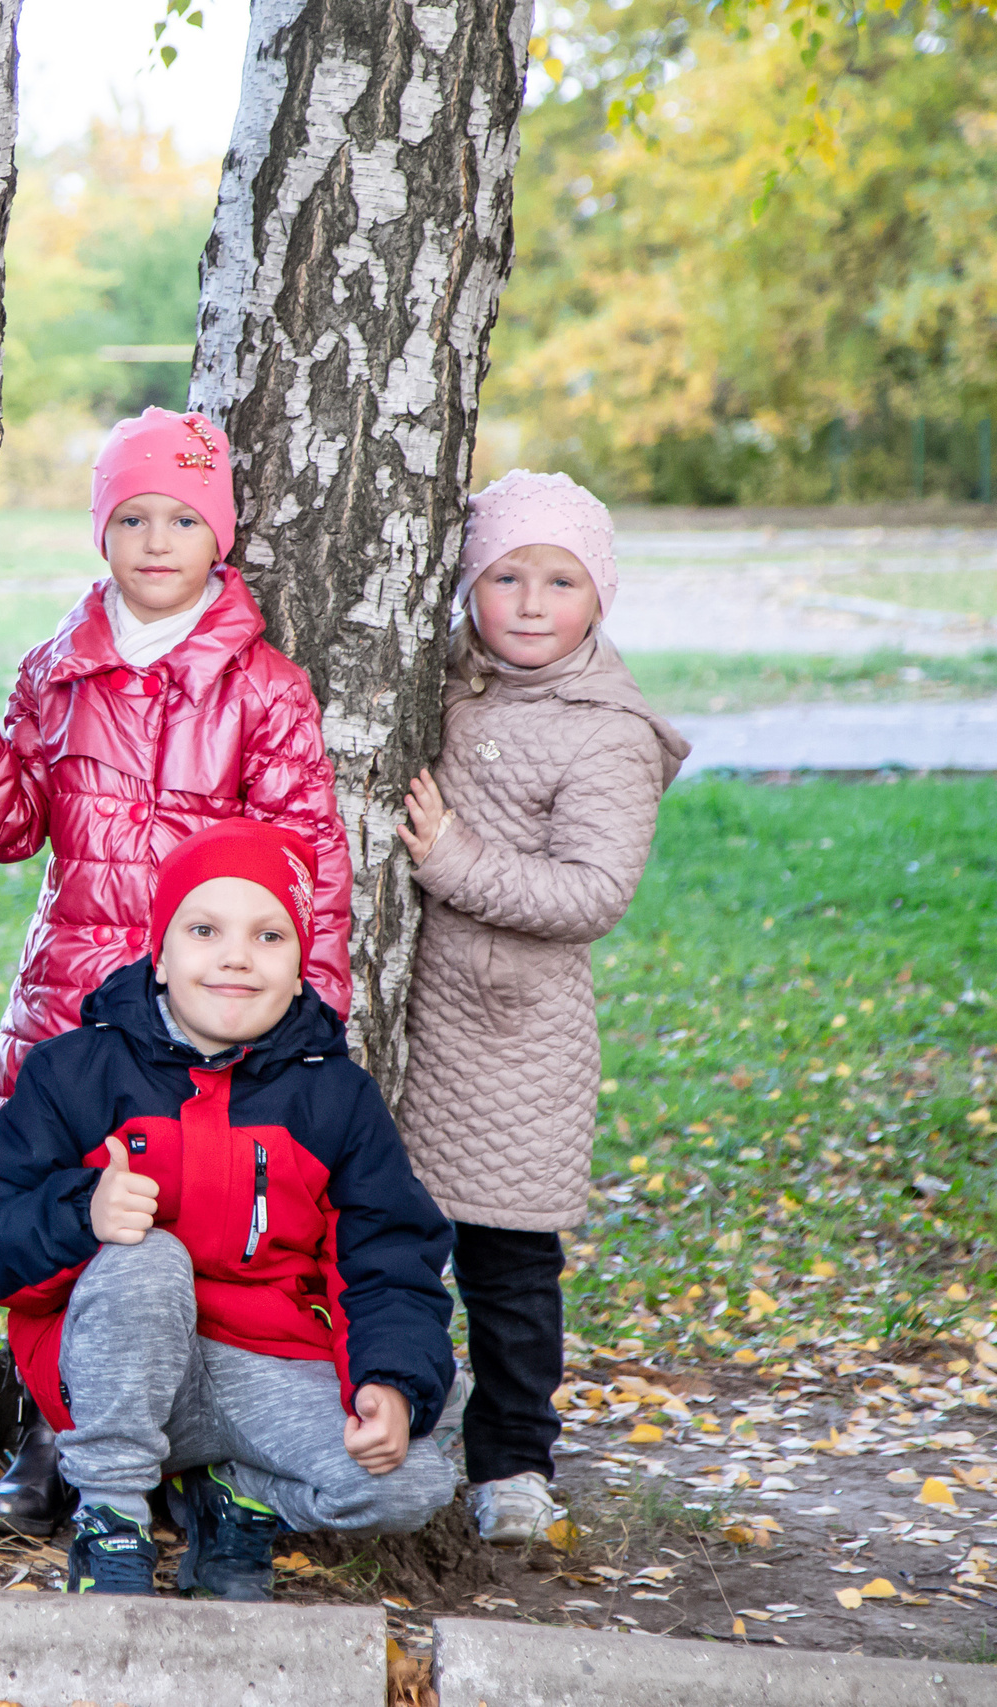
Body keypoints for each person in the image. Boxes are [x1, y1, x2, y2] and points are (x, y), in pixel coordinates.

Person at [0, 407, 354, 1532]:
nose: (153, 540)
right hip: (75, 990)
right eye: (130, 517)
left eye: (181, 518)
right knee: (67, 1204)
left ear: (217, 535)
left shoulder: (261, 690)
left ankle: (180, 1441)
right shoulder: (59, 668)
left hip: (205, 1006)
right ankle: (53, 1423)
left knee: (192, 1208)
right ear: (102, 533)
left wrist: (302, 1013)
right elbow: (8, 828)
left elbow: (307, 865)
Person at [0, 820, 457, 1601]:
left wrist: (389, 1379)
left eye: (269, 934)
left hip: (271, 1372)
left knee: (410, 1479)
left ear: (299, 961)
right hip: (123, 1371)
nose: (236, 956)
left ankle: (236, 1497)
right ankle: (111, 1520)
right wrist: (84, 1210)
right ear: (162, 947)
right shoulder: (78, 1071)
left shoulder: (336, 1097)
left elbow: (388, 1254)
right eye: (205, 928)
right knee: (150, 1256)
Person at [394, 471, 688, 1546]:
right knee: (397, 1250)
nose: (527, 602)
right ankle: (405, 1431)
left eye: (557, 581)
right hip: (416, 1025)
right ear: (468, 585)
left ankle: (514, 1459)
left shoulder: (605, 732)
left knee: (509, 1266)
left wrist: (451, 860)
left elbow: (591, 895)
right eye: (504, 575)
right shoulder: (446, 685)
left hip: (521, 1039)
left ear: (597, 596)